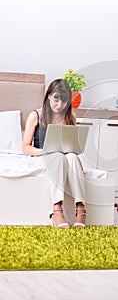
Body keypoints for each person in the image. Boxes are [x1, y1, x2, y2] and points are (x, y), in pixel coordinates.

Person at [22, 78, 86, 229]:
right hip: (41, 157)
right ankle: (56, 209)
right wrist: (44, 151)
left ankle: (81, 209)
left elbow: (72, 144)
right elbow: (25, 147)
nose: (59, 105)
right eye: (56, 99)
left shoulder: (71, 117)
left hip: (64, 158)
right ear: (49, 96)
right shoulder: (36, 115)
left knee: (72, 156)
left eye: (64, 101)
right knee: (56, 156)